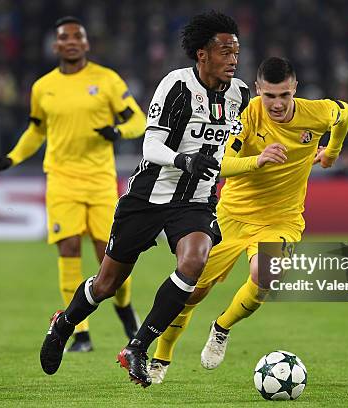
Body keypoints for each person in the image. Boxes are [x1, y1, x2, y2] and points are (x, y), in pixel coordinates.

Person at [39, 11, 250, 388]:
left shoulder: (241, 95)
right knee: (107, 284)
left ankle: (138, 346)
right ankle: (65, 324)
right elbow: (151, 144)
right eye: (224, 51)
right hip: (148, 197)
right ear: (202, 54)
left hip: (196, 201)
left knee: (195, 260)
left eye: (236, 51)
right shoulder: (176, 85)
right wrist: (185, 159)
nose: (233, 58)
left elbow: (242, 143)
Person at [147, 57, 348, 383]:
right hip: (231, 216)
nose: (277, 104)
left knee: (265, 274)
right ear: (258, 90)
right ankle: (162, 354)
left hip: (281, 220)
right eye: (270, 96)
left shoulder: (317, 112)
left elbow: (344, 114)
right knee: (191, 292)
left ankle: (221, 327)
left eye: (284, 95)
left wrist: (331, 153)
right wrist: (258, 160)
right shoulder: (242, 115)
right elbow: (218, 164)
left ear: (294, 89)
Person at [0, 16, 146, 352]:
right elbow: (36, 130)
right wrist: (12, 158)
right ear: (56, 45)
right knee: (68, 248)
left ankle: (125, 311)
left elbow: (138, 119)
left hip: (101, 181)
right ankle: (80, 333)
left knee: (111, 259)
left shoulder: (107, 80)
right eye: (64, 37)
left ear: (86, 44)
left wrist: (117, 131)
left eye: (77, 36)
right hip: (61, 180)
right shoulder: (43, 87)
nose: (71, 41)